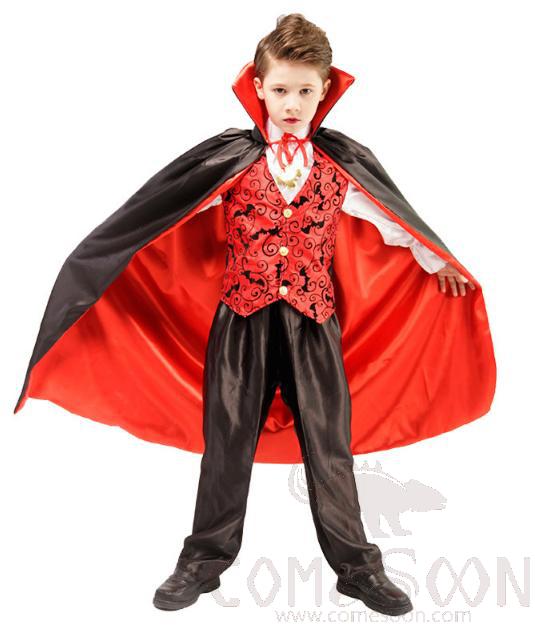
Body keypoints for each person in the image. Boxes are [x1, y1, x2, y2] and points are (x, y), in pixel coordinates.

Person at [13, 13, 496, 618]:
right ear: (258, 87)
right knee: (227, 441)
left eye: (305, 90)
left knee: (330, 446)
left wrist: (437, 259)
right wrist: (116, 261)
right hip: (241, 318)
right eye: (281, 89)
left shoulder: (339, 164)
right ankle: (203, 561)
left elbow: (390, 219)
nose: (292, 103)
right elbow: (167, 210)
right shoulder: (232, 159)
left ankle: (357, 568)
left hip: (314, 321)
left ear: (325, 90)